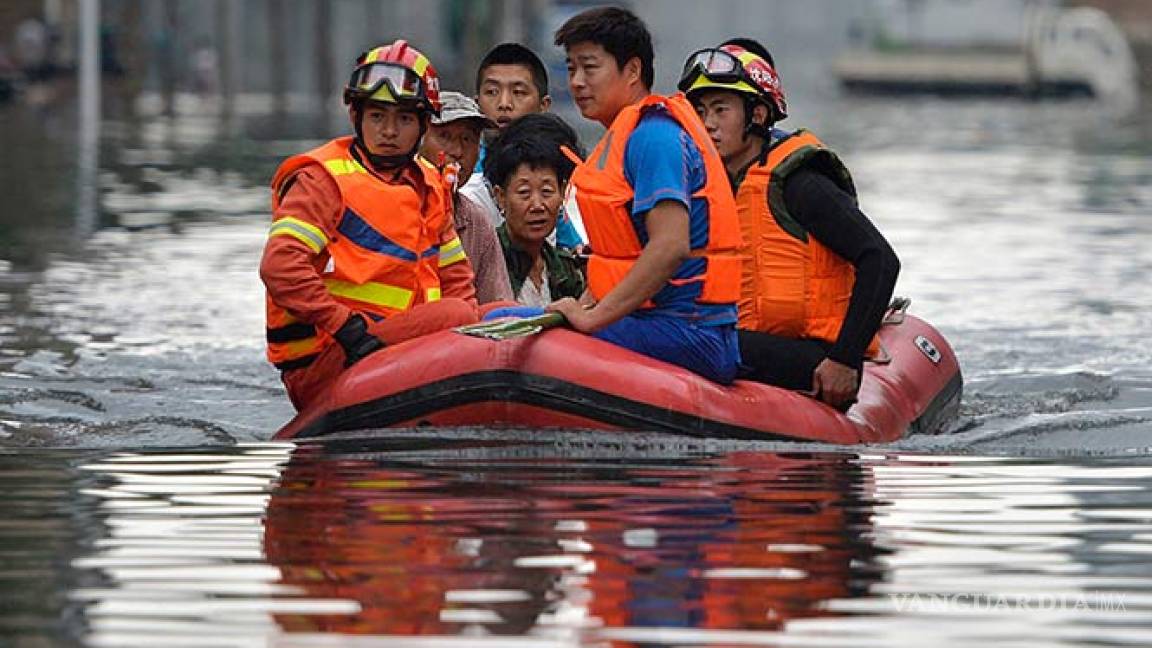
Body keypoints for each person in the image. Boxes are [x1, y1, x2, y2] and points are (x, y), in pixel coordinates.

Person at [678, 38, 900, 410]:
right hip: (749, 339)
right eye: (699, 111)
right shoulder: (713, 185)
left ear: (758, 116)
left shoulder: (800, 183)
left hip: (814, 355)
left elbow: (879, 259)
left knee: (691, 340)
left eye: (720, 110)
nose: (707, 124)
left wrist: (844, 359)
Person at [260, 40, 479, 411]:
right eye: (377, 116)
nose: (389, 131)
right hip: (332, 356)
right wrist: (344, 326)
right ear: (357, 117)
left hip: (396, 344)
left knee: (498, 312)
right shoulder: (323, 181)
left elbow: (456, 278)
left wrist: (477, 337)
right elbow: (279, 266)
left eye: (404, 118)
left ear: (425, 125)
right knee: (456, 315)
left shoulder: (429, 182)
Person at [547, 6, 744, 384]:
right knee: (514, 315)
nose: (576, 81)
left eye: (590, 67)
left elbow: (670, 246)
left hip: (692, 332)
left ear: (633, 71)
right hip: (657, 322)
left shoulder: (653, 137)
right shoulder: (624, 136)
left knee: (511, 323)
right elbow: (623, 253)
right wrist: (584, 304)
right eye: (571, 68)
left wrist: (591, 319)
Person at [461, 42, 584, 250]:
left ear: (543, 106)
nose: (504, 103)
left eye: (518, 93)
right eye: (492, 92)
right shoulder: (464, 177)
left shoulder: (553, 175)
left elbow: (570, 251)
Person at [419, 90, 514, 304]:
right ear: (419, 138)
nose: (457, 151)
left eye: (468, 139)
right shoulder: (393, 202)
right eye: (444, 136)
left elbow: (496, 305)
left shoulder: (476, 222)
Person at [484, 113, 586, 306]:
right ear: (500, 197)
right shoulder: (486, 261)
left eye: (547, 191)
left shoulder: (566, 269)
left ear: (563, 192)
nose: (537, 206)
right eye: (524, 193)